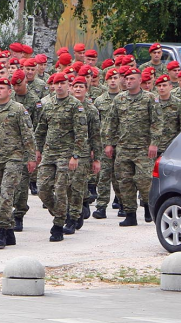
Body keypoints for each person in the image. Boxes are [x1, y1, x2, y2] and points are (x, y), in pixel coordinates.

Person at [0, 78, 37, 249]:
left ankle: (2, 231)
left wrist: (31, 157)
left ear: (9, 91)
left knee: (6, 194)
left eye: (2, 88)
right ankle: (10, 230)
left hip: (14, 158)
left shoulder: (18, 109)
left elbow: (28, 134)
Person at [34, 74, 90, 242]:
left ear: (68, 85)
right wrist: (37, 149)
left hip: (66, 155)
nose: (59, 86)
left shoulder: (75, 105)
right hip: (49, 153)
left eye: (62, 83)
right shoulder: (48, 104)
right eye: (56, 83)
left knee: (60, 189)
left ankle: (58, 225)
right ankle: (61, 212)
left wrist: (75, 155)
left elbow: (81, 133)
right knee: (42, 188)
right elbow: (41, 128)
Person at [104, 67, 162, 227]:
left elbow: (157, 122)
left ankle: (149, 208)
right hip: (123, 148)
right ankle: (130, 214)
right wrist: (109, 143)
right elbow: (112, 122)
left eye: (131, 79)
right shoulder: (119, 99)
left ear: (139, 80)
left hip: (143, 148)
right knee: (125, 182)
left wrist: (154, 143)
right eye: (126, 79)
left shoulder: (150, 98)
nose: (128, 81)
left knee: (144, 180)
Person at [66, 77, 102, 231]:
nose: (78, 89)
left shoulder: (91, 109)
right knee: (66, 185)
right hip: (66, 151)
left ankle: (74, 216)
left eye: (81, 86)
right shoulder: (66, 106)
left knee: (77, 185)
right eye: (75, 86)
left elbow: (95, 134)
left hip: (84, 153)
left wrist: (97, 158)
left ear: (86, 90)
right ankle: (78, 206)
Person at [92, 67, 123, 219]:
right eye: (110, 78)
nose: (112, 80)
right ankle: (101, 206)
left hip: (122, 143)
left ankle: (123, 204)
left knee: (120, 176)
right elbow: (95, 124)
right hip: (104, 143)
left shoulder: (124, 98)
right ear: (106, 80)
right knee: (104, 176)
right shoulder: (99, 101)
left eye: (115, 78)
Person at [155, 75, 181, 153]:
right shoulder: (152, 103)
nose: (161, 88)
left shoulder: (178, 103)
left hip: (171, 146)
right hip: (154, 146)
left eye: (164, 85)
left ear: (170, 86)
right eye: (159, 86)